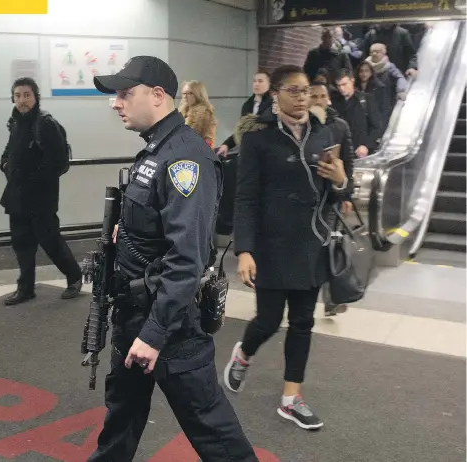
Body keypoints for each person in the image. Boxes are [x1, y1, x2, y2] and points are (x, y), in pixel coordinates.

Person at [88, 56, 257, 462]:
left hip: (169, 327)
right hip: (135, 316)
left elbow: (187, 258)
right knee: (121, 419)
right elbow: (159, 229)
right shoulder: (155, 151)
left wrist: (154, 333)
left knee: (213, 431)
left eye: (126, 94)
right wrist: (125, 234)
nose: (116, 103)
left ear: (158, 96)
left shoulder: (185, 159)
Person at [223, 65, 348, 430]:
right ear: (275, 94)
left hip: (311, 242)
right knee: (268, 320)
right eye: (293, 90)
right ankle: (243, 354)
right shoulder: (259, 138)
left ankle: (291, 399)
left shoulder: (324, 133)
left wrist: (340, 180)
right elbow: (245, 199)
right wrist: (244, 250)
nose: (301, 97)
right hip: (271, 245)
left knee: (303, 322)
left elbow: (342, 190)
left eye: (305, 90)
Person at [0, 77, 82, 306]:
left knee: (50, 240)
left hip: (40, 198)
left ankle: (74, 277)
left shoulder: (45, 124)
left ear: (35, 97)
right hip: (16, 197)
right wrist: (5, 165)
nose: (22, 100)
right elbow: (8, 152)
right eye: (17, 96)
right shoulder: (15, 122)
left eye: (27, 95)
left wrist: (32, 180)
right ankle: (25, 288)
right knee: (22, 244)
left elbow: (56, 161)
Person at [310, 81, 354, 317]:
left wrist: (347, 194)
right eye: (313, 95)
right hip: (306, 198)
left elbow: (348, 162)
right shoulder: (301, 126)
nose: (317, 100)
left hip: (331, 198)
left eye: (321, 96)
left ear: (328, 99)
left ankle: (331, 299)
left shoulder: (340, 126)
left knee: (329, 248)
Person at [217, 71, 272, 157]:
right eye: (254, 81)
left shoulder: (272, 105)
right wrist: (227, 144)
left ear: (269, 84)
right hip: (247, 152)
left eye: (260, 81)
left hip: (266, 153)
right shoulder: (247, 105)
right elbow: (241, 130)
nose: (256, 84)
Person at [331, 69, 382, 158]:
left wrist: (366, 145)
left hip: (359, 152)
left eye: (344, 84)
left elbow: (377, 127)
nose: (341, 88)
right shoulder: (334, 102)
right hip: (340, 153)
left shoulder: (366, 100)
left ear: (352, 81)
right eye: (338, 85)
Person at [179, 80, 217, 149]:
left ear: (198, 94)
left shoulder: (205, 113)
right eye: (184, 93)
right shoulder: (181, 112)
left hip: (196, 154)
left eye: (190, 93)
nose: (185, 96)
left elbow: (208, 140)